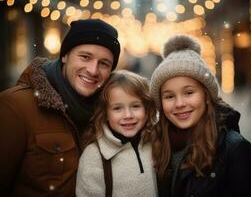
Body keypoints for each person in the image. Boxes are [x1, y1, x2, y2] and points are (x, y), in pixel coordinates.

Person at [0, 19, 120, 197]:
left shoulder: (108, 115)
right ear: (64, 55)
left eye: (104, 63)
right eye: (85, 57)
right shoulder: (16, 106)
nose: (93, 70)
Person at [150, 35, 251, 197]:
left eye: (189, 92)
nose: (179, 103)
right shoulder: (152, 145)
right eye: (169, 96)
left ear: (206, 96)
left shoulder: (234, 149)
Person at [76, 70, 158, 197]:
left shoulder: (155, 143)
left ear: (147, 109)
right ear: (106, 114)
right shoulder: (94, 156)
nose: (128, 115)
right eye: (117, 108)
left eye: (136, 106)